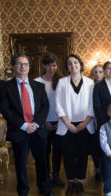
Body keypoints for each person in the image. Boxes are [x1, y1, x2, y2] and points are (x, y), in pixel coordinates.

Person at [0, 53, 54, 196]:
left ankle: (44, 187)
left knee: (42, 161)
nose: (23, 67)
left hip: (38, 130)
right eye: (19, 64)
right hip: (19, 131)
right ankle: (23, 192)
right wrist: (24, 125)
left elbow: (45, 106)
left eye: (26, 64)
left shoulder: (39, 86)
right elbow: (5, 109)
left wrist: (36, 123)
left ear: (30, 67)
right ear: (13, 67)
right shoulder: (5, 87)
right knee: (21, 163)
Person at [55, 54, 95, 196]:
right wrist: (68, 124)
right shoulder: (62, 82)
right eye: (70, 63)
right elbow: (58, 105)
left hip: (85, 124)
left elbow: (92, 105)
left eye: (76, 62)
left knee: (83, 154)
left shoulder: (90, 83)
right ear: (67, 67)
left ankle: (81, 182)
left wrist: (84, 123)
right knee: (68, 154)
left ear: (80, 64)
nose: (73, 66)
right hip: (67, 124)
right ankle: (71, 181)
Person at [34, 53, 64, 187]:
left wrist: (60, 120)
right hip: (43, 123)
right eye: (49, 65)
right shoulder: (36, 82)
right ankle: (45, 177)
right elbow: (35, 105)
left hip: (60, 122)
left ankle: (56, 176)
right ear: (43, 65)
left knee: (58, 152)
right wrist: (43, 121)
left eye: (54, 65)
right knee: (44, 152)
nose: (52, 68)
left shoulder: (62, 81)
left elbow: (65, 103)